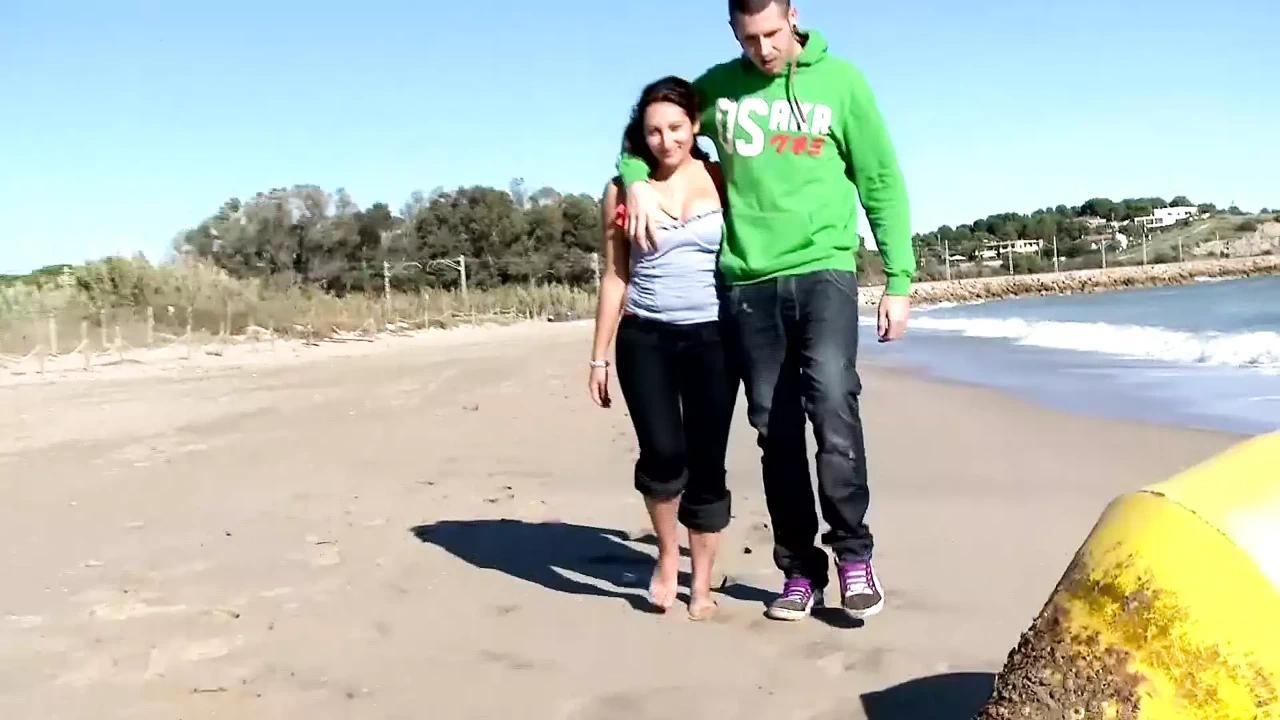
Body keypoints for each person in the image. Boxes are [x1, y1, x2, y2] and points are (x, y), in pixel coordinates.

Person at [613, 0, 915, 622]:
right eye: (750, 38)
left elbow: (880, 178)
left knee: (832, 402)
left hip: (824, 270)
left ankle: (854, 555)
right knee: (773, 430)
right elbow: (651, 129)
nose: (765, 49)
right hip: (748, 285)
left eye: (773, 34)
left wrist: (899, 277)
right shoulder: (718, 88)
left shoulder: (842, 81)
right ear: (732, 30)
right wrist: (635, 178)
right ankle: (799, 571)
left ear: (794, 15)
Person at [588, 75, 739, 621]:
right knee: (662, 453)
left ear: (694, 125)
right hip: (644, 337)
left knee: (707, 462)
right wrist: (599, 355)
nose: (666, 140)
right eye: (653, 131)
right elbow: (615, 276)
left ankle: (701, 585)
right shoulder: (622, 190)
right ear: (640, 135)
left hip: (713, 338)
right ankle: (667, 555)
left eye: (676, 127)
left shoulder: (722, 179)